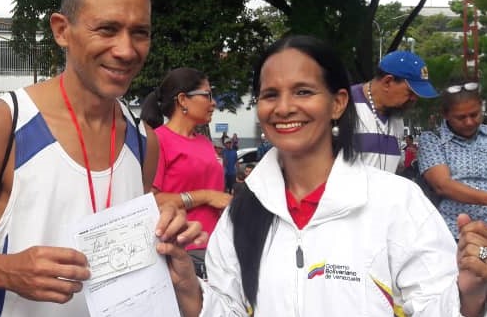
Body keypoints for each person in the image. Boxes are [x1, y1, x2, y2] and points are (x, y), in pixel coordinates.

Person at [0, 0, 204, 316]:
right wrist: (5, 270)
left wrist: (165, 241)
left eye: (140, 33)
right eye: (107, 29)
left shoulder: (145, 141)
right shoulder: (3, 124)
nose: (126, 50)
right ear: (62, 30)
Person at [156, 35, 487, 316]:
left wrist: (470, 291)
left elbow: (434, 305)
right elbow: (229, 309)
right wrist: (189, 287)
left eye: (303, 92)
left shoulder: (398, 203)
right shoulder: (242, 213)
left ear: (338, 104)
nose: (284, 107)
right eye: (270, 94)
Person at [140, 67, 232, 279]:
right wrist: (207, 196)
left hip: (218, 248)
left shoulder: (205, 142)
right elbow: (151, 200)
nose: (214, 102)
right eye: (207, 95)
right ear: (182, 99)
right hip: (183, 252)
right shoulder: (158, 141)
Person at [351, 50, 439, 173]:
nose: (414, 99)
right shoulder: (345, 106)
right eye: (410, 92)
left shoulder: (397, 118)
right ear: (387, 82)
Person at [419, 81, 487, 238]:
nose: (469, 122)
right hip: (454, 233)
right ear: (445, 114)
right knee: (471, 261)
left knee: (483, 260)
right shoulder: (433, 139)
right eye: (461, 117)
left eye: (474, 114)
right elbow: (442, 185)